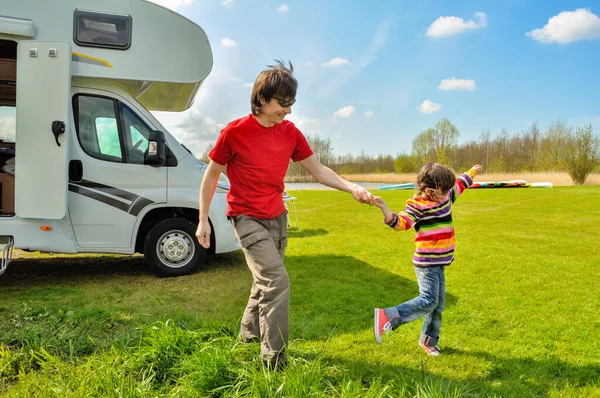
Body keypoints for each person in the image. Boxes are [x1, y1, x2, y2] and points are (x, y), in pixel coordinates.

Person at [195, 60, 373, 369]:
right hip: (245, 217)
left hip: (277, 216)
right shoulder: (234, 133)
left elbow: (318, 170)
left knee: (264, 280)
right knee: (277, 281)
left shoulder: (291, 133)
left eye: (291, 104)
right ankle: (273, 360)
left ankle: (247, 336)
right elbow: (211, 176)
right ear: (262, 100)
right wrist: (201, 221)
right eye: (283, 103)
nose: (288, 110)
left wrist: (350, 186)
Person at [371, 163, 484, 356]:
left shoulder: (447, 196)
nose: (448, 192)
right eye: (444, 190)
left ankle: (428, 341)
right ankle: (388, 316)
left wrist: (472, 171)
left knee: (438, 305)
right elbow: (402, 223)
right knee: (429, 300)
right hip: (426, 264)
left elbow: (460, 184)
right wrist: (384, 208)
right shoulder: (418, 205)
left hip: (440, 262)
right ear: (430, 190)